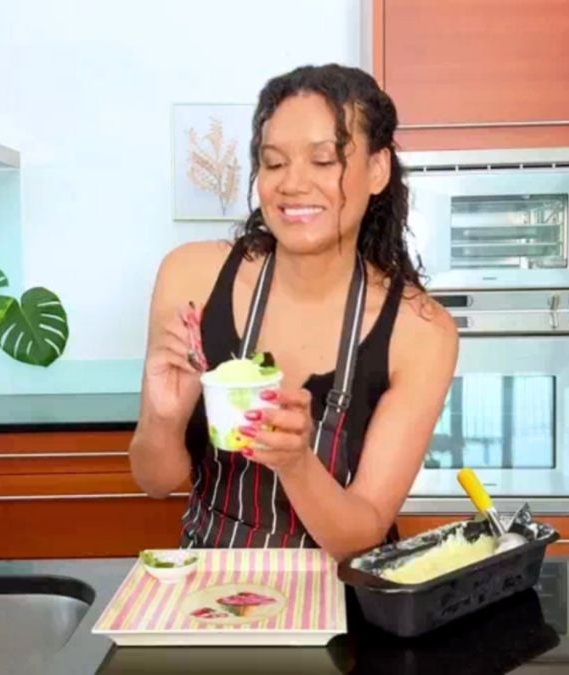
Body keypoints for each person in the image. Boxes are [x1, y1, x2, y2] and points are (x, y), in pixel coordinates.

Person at [129, 64, 459, 559]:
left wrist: (296, 463)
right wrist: (163, 417)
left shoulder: (421, 331)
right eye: (274, 162)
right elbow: (155, 481)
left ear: (376, 170)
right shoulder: (190, 277)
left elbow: (363, 532)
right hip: (209, 583)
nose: (293, 183)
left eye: (324, 161)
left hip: (345, 597)